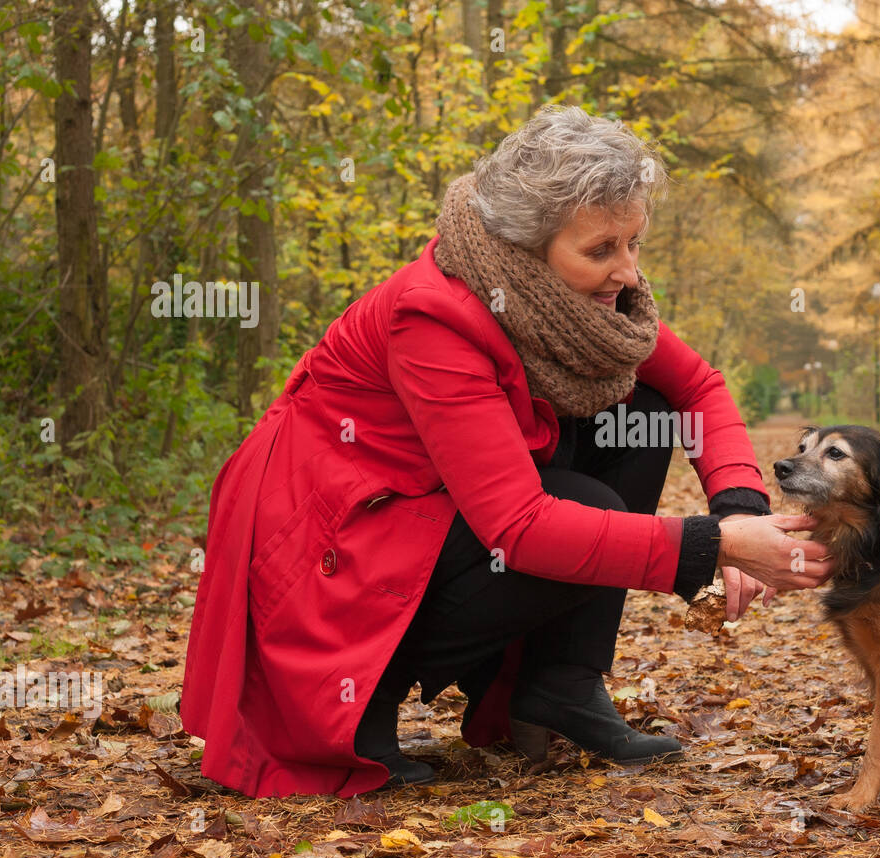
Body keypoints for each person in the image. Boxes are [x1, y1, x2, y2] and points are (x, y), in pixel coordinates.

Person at [180, 105, 834, 798]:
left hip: (425, 508)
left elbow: (697, 384)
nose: (629, 272)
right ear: (527, 246)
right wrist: (718, 546)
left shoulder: (584, 311)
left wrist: (739, 505)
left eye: (634, 242)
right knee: (585, 508)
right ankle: (375, 683)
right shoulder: (434, 314)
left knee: (638, 407)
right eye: (602, 250)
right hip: (337, 536)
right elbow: (519, 526)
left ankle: (560, 686)